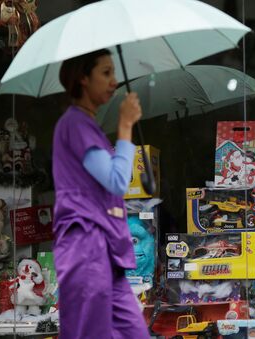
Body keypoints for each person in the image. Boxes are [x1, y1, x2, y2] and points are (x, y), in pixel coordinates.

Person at [52, 49, 150, 339]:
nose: (114, 81)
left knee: (135, 333)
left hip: (107, 250)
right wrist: (125, 127)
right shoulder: (75, 124)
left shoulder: (87, 126)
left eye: (114, 73)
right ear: (83, 78)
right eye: (106, 73)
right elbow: (117, 181)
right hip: (86, 245)